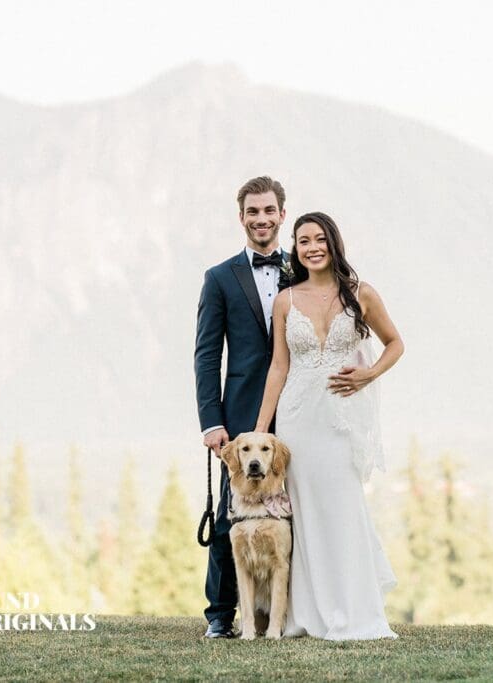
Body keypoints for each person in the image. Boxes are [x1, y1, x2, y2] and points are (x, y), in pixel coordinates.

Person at [254, 211, 404, 640]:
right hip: (298, 419)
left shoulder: (361, 293)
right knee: (306, 514)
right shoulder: (286, 301)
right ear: (296, 249)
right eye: (303, 241)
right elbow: (279, 367)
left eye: (319, 239)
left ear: (333, 242)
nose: (312, 247)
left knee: (343, 507)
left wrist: (368, 374)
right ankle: (311, 613)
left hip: (340, 419)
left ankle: (355, 610)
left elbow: (396, 343)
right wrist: (263, 430)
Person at [194, 175, 291, 638]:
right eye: (253, 211)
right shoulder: (219, 278)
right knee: (230, 516)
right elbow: (207, 354)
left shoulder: (303, 269)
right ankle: (220, 615)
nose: (261, 219)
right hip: (240, 416)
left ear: (282, 215)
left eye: (269, 210)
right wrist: (212, 421)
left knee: (301, 510)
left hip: (298, 410)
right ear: (241, 218)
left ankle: (298, 612)